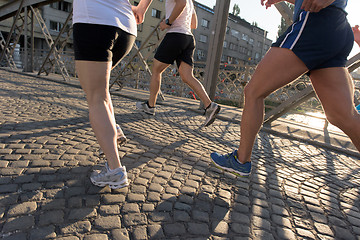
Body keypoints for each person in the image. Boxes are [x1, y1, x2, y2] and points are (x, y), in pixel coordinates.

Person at [211, 0, 360, 177]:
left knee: (253, 91)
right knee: (343, 116)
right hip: (336, 28)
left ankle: (241, 160)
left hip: (315, 23)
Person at [73, 0, 153, 188]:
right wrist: (142, 7)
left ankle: (115, 170)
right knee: (100, 90)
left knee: (95, 97)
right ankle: (113, 130)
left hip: (94, 20)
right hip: (126, 27)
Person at [136, 0, 221, 127]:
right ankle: (210, 105)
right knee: (187, 76)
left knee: (156, 69)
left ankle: (150, 106)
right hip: (188, 38)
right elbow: (194, 24)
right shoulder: (191, 2)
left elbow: (180, 4)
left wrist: (168, 22)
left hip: (175, 35)